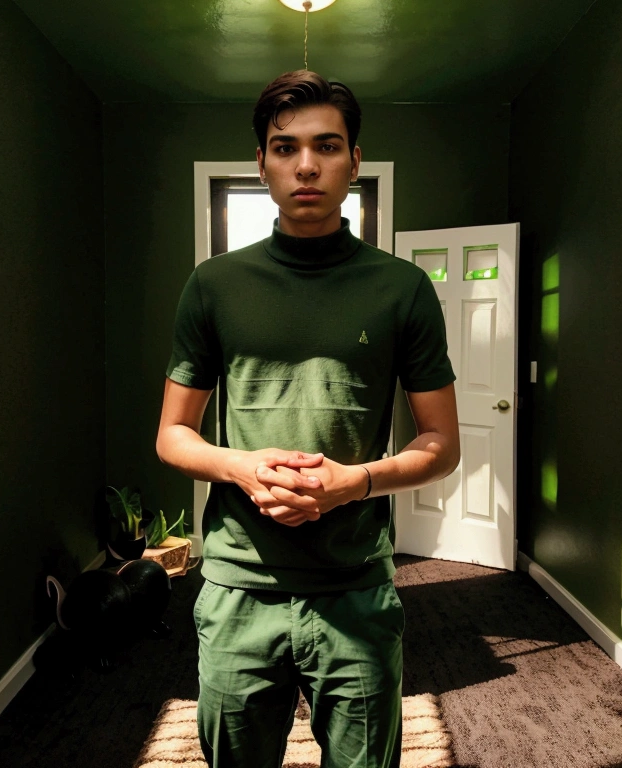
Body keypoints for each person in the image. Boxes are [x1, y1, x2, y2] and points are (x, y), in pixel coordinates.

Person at [156, 70, 460, 768]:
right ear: (261, 162)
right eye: (284, 147)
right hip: (238, 589)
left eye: (326, 146)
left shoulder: (402, 289)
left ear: (354, 161)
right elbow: (172, 434)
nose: (305, 165)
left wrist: (352, 484)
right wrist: (241, 465)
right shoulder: (213, 285)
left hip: (355, 589)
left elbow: (441, 445)